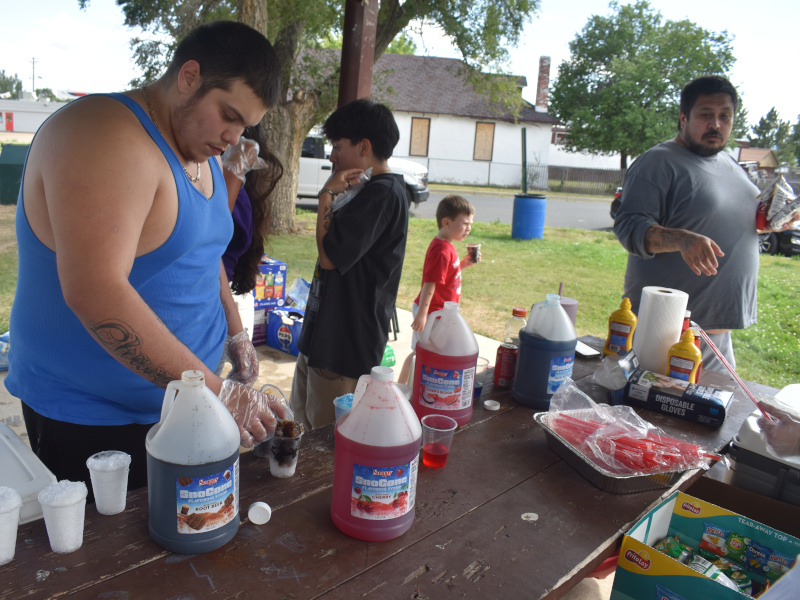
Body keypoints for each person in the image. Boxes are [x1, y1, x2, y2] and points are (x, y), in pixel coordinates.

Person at [5, 21, 291, 493]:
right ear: (189, 77)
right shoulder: (104, 134)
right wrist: (217, 392)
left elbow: (206, 250)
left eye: (244, 124)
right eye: (228, 114)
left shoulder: (202, 149)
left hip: (182, 400)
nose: (233, 135)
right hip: (96, 424)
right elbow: (96, 292)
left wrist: (235, 331)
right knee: (113, 564)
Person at [613, 75, 795, 374]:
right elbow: (629, 227)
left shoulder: (729, 165)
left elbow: (732, 220)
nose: (716, 124)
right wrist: (682, 240)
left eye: (725, 116)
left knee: (715, 418)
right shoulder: (659, 161)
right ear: (683, 118)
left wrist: (774, 221)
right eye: (705, 115)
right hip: (665, 334)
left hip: (715, 335)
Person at [290, 99, 408, 430]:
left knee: (325, 444)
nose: (332, 155)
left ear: (364, 146)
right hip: (321, 339)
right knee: (300, 426)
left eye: (337, 146)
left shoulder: (383, 193)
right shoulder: (366, 189)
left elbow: (330, 257)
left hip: (343, 348)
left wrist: (326, 194)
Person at [397, 195, 479, 384]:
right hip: (432, 313)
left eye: (471, 224)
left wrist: (464, 264)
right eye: (465, 223)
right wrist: (422, 315)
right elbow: (430, 283)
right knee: (420, 354)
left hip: (439, 313)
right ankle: (402, 388)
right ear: (447, 222)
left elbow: (447, 276)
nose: (469, 228)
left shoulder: (448, 246)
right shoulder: (442, 250)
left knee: (427, 353)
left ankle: (412, 387)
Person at [218, 124, 283, 348]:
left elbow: (209, 239)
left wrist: (233, 171)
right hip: (225, 305)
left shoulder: (233, 197)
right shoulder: (238, 195)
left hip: (216, 306)